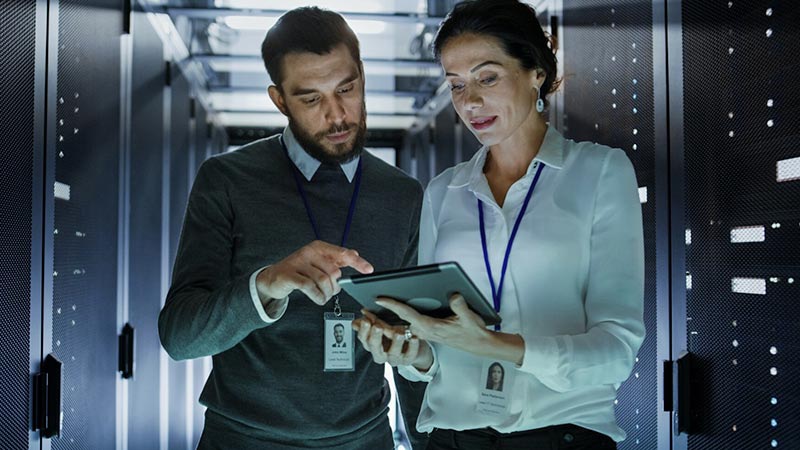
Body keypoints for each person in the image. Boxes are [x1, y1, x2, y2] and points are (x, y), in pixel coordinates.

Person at [354, 0, 645, 448]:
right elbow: (438, 350)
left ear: (536, 73)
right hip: (453, 437)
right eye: (456, 85)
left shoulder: (600, 173)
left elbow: (616, 351)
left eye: (487, 77)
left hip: (558, 435)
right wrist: (413, 353)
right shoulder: (442, 192)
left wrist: (498, 346)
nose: (470, 102)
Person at [158, 7, 427, 449]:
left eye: (347, 88)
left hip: (366, 440)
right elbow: (180, 336)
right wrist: (267, 284)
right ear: (280, 100)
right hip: (242, 440)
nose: (338, 115)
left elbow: (411, 343)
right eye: (311, 99)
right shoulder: (225, 181)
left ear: (361, 75)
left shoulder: (404, 195)